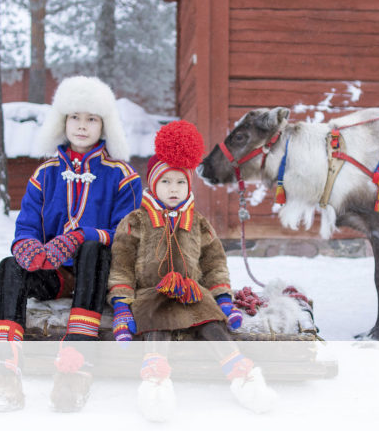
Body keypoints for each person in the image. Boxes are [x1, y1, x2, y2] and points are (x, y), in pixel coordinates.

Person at [0, 76, 143, 413]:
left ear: (104, 125)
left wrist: (83, 236)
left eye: (91, 119)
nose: (82, 126)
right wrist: (28, 248)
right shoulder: (45, 174)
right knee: (9, 265)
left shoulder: (122, 175)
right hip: (56, 275)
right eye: (75, 117)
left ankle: (77, 364)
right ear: (62, 121)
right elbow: (26, 227)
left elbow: (129, 234)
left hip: (103, 276)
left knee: (94, 249)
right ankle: (3, 372)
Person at [106, 120, 276, 421]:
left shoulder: (198, 221)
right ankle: (156, 383)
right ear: (153, 184)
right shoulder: (136, 221)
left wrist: (223, 298)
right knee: (157, 326)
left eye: (180, 182)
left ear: (189, 185)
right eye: (166, 182)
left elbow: (214, 262)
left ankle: (242, 375)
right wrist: (121, 306)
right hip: (152, 294)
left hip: (192, 292)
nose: (174, 189)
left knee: (213, 324)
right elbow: (121, 265)